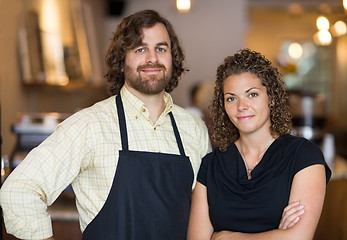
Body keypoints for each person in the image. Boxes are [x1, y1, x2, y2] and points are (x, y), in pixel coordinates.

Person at [0, 10, 211, 240]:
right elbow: (19, 190)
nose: (152, 58)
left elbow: (207, 214)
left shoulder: (194, 129)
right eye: (140, 49)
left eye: (161, 48)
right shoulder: (89, 126)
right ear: (121, 62)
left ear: (172, 58)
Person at [187, 49, 331, 240]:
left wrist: (227, 237)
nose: (241, 106)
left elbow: (298, 238)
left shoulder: (303, 156)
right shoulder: (211, 165)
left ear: (271, 98)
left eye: (252, 94)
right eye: (231, 98)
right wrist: (277, 235)